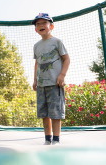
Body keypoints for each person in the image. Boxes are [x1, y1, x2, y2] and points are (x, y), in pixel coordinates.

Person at [32, 13, 70, 145]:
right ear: (35, 29)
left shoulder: (57, 42)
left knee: (56, 113)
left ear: (51, 26)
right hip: (42, 85)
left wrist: (62, 75)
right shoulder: (36, 46)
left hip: (55, 83)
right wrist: (35, 80)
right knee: (44, 113)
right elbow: (37, 63)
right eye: (38, 24)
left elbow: (66, 59)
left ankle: (56, 139)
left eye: (44, 23)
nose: (41, 25)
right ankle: (47, 139)